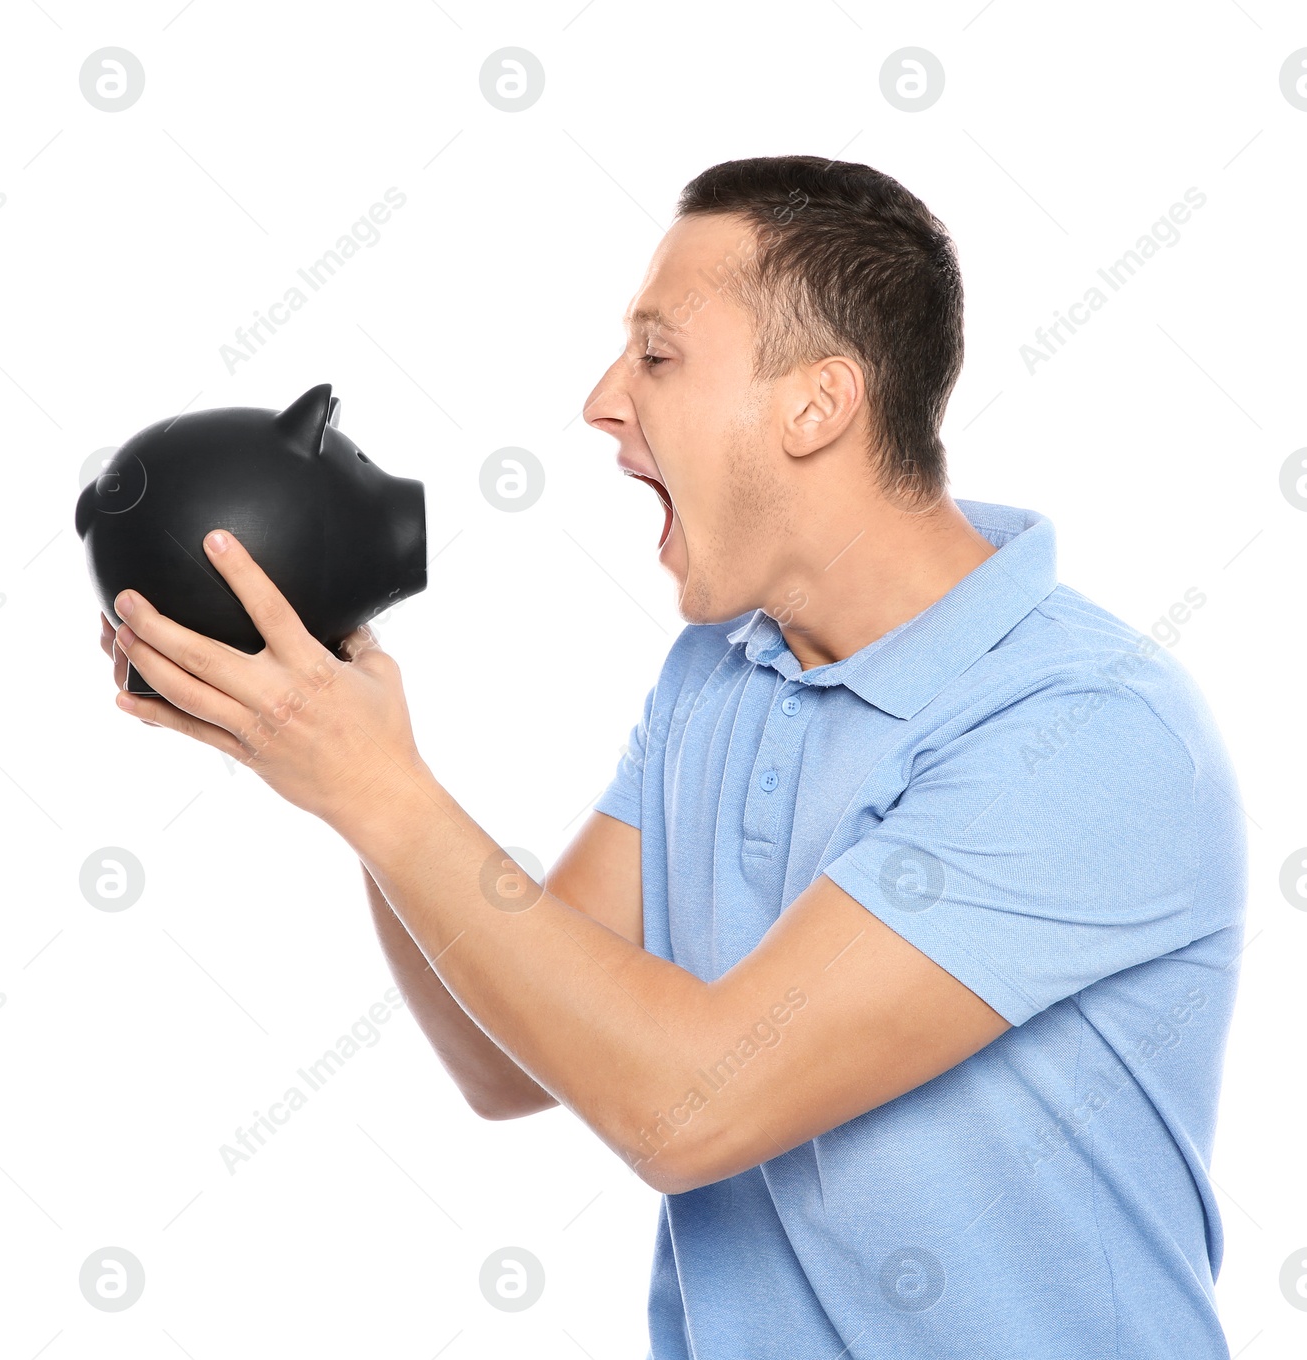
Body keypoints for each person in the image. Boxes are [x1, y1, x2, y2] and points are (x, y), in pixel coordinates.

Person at [103, 154, 1247, 1358]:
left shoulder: (1085, 731)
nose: (602, 399)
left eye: (657, 355)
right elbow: (507, 1053)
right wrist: (335, 750)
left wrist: (381, 793)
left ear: (818, 404)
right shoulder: (723, 674)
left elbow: (686, 1105)